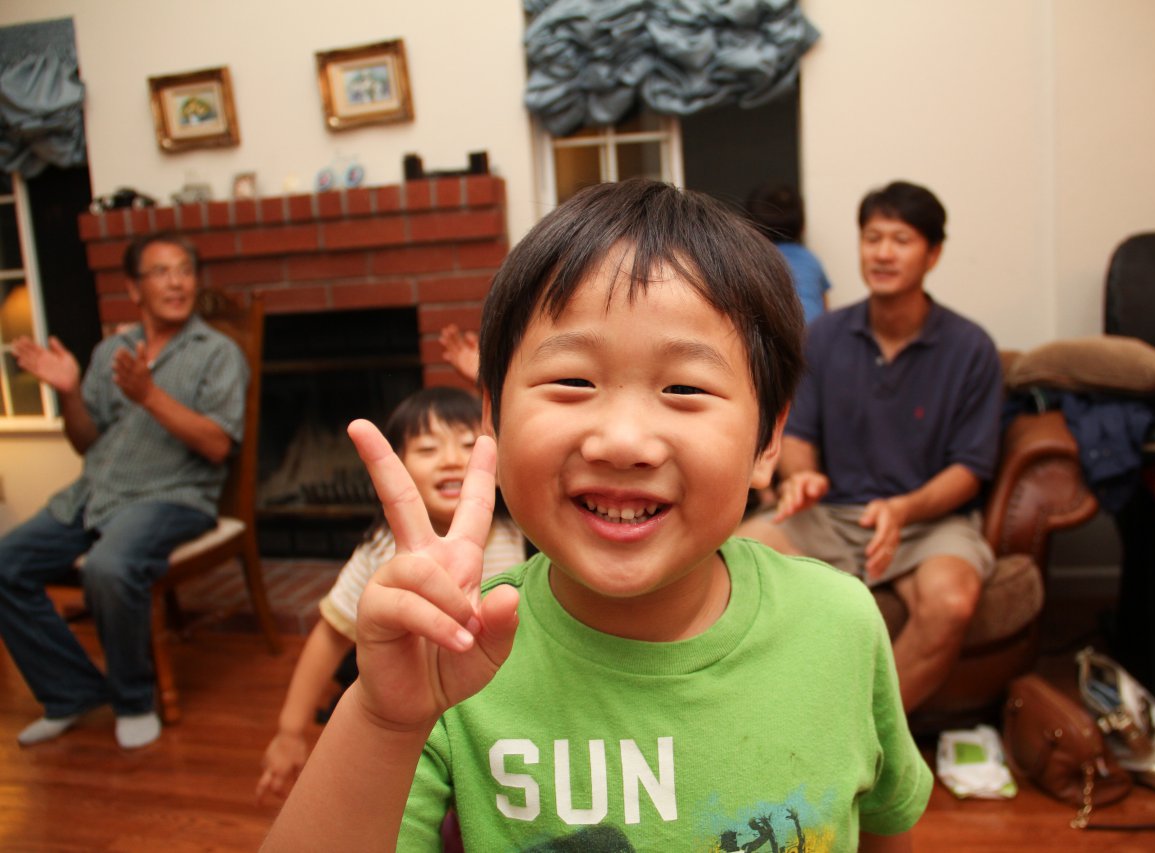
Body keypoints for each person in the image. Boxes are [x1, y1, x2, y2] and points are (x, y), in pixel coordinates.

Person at [264, 179, 930, 851]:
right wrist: (382, 722)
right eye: (572, 381)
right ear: (493, 416)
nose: (622, 440)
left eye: (685, 387)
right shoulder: (450, 658)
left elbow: (884, 827)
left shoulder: (842, 625)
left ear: (769, 440)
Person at [739, 180, 1003, 713]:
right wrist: (802, 475)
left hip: (928, 522)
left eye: (901, 240)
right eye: (872, 238)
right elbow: (798, 434)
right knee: (736, 561)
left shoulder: (970, 348)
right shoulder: (824, 336)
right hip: (832, 515)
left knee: (952, 601)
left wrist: (904, 510)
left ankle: (866, 735)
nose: (883, 253)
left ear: (933, 254)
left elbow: (970, 469)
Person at [0, 232, 248, 750]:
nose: (177, 283)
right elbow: (84, 441)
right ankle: (70, 693)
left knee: (109, 568)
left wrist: (149, 395)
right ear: (134, 289)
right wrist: (70, 393)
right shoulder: (110, 351)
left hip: (173, 496)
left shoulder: (218, 352)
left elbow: (218, 445)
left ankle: (134, 700)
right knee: (6, 564)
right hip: (92, 494)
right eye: (161, 272)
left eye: (185, 271)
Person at [256, 387, 526, 803]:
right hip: (419, 734)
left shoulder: (519, 530)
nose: (452, 459)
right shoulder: (380, 551)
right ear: (398, 466)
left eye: (469, 445)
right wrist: (290, 730)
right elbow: (330, 635)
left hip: (505, 727)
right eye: (428, 448)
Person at [745, 181, 832, 324]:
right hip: (815, 335)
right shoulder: (810, 260)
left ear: (750, 227)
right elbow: (826, 311)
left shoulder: (747, 262)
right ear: (803, 227)